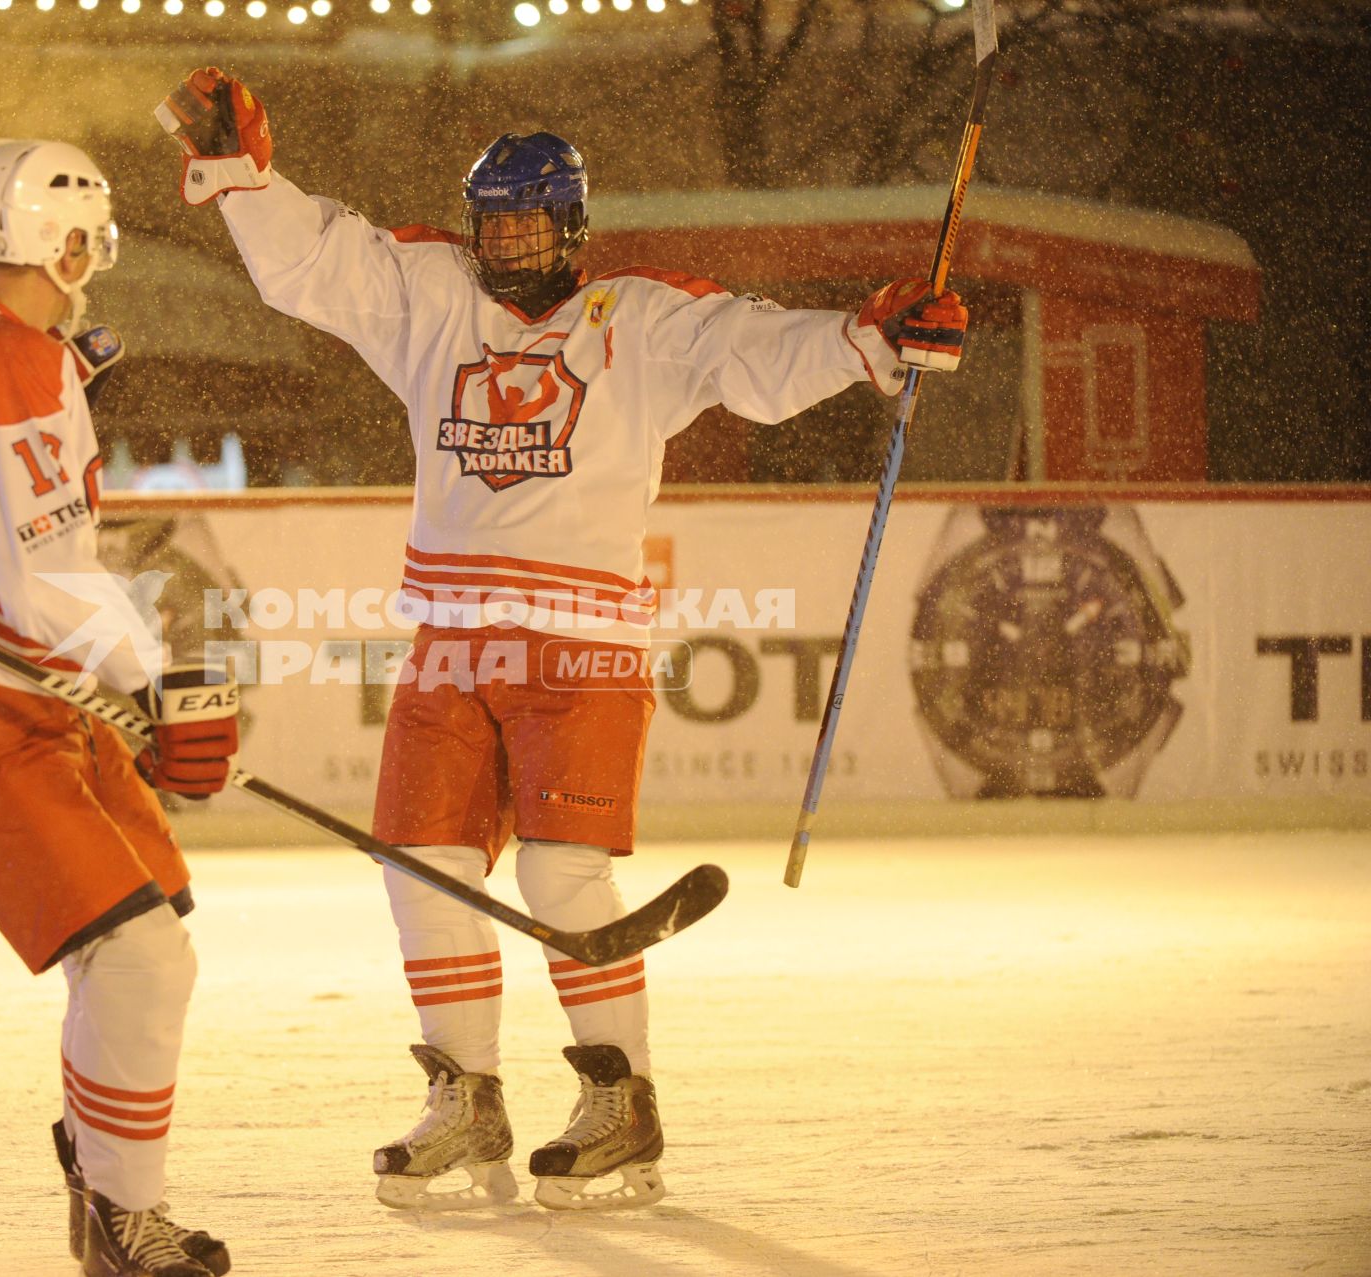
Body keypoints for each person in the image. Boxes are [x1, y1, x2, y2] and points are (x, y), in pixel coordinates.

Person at [157, 71, 969, 1213]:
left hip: (582, 645)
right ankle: (464, 1092)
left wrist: (872, 338)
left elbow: (762, 352)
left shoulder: (641, 315)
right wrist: (242, 178)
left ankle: (618, 1097)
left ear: (573, 227)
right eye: (495, 221)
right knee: (421, 865)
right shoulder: (431, 290)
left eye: (532, 222)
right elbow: (320, 260)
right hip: (448, 641)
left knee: (558, 872)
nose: (508, 241)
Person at [0, 138, 240, 1276]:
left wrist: (54, 379)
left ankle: (101, 1163)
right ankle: (125, 1210)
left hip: (9, 684)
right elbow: (37, 576)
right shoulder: (9, 365)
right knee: (141, 958)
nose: (95, 257)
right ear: (61, 241)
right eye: (86, 236)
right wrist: (157, 682)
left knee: (156, 913)